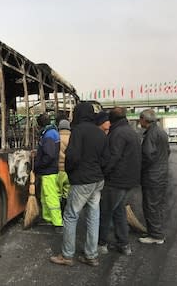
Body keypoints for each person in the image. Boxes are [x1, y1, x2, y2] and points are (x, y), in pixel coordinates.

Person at [50, 102, 107, 267]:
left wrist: (70, 173)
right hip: (98, 181)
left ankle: (67, 256)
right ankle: (91, 255)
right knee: (93, 216)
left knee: (70, 215)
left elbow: (72, 157)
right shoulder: (100, 132)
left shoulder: (78, 131)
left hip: (82, 180)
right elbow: (106, 158)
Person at [98, 107, 141, 256]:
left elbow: (114, 157)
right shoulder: (131, 131)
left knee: (106, 212)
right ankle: (124, 244)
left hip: (116, 180)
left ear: (112, 119)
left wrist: (105, 172)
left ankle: (101, 243)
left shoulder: (117, 133)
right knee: (119, 211)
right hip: (130, 180)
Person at [138, 109, 170, 244]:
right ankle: (155, 230)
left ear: (144, 119)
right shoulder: (161, 132)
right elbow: (167, 151)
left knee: (150, 205)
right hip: (161, 173)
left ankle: (156, 236)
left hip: (152, 176)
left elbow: (147, 156)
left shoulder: (151, 134)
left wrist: (140, 169)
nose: (140, 122)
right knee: (158, 205)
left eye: (140, 119)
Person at [34, 113, 62, 233]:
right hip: (50, 170)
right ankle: (47, 218)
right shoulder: (52, 132)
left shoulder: (48, 135)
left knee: (51, 197)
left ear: (40, 124)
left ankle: (58, 223)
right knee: (45, 197)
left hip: (48, 171)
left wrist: (39, 165)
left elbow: (49, 155)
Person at [57, 119, 71, 212]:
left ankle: (58, 211)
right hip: (69, 169)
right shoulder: (73, 137)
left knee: (57, 191)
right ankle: (66, 210)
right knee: (67, 191)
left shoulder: (56, 137)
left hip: (58, 169)